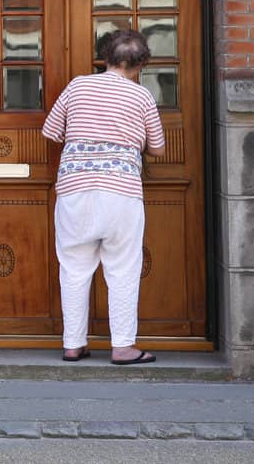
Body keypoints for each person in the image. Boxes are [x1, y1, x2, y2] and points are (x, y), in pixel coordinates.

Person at [40, 28, 165, 364]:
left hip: (75, 189)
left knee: (74, 267)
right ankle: (123, 346)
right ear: (140, 66)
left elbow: (51, 131)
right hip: (121, 192)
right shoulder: (142, 97)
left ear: (105, 57)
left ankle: (73, 344)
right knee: (123, 268)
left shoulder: (78, 85)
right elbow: (158, 148)